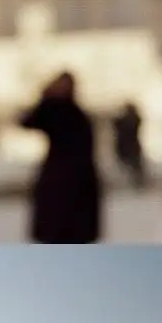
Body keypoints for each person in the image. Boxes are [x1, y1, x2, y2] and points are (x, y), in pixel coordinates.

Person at [20, 71, 102, 242]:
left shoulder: (71, 113)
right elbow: (27, 121)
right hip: (62, 187)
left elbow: (27, 120)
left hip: (71, 186)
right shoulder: (59, 111)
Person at [110, 101, 148, 189]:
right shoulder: (127, 119)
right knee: (129, 166)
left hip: (131, 146)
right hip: (127, 146)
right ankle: (135, 183)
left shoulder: (133, 119)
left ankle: (137, 184)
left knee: (134, 166)